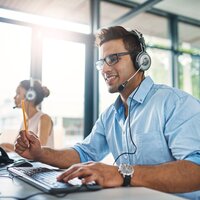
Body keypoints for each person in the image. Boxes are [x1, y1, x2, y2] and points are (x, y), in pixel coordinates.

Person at [14, 26, 200, 199]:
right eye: (102, 62)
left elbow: (196, 170)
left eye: (113, 59)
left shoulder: (175, 103)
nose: (104, 69)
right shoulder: (110, 115)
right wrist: (40, 153)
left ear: (140, 60)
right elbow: (84, 153)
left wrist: (121, 173)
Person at [0, 79, 54, 152]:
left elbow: (39, 149)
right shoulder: (26, 120)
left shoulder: (44, 118)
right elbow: (17, 147)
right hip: (28, 162)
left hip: (41, 163)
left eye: (18, 93)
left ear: (30, 96)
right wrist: (3, 146)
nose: (14, 97)